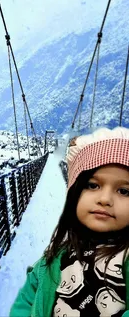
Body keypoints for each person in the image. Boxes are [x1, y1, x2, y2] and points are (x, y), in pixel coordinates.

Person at [10, 126, 129, 317]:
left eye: (124, 191)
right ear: (73, 194)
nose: (105, 199)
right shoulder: (55, 257)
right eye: (92, 185)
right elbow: (27, 299)